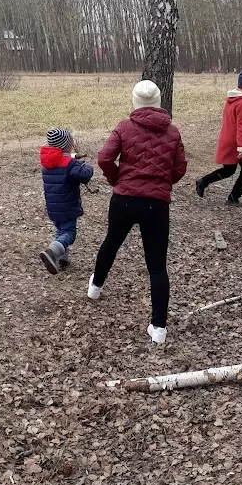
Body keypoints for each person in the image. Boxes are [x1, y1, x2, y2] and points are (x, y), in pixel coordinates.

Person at [88, 80, 187, 345]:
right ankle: (159, 329)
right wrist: (162, 184)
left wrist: (117, 179)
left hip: (124, 199)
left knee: (112, 242)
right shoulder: (173, 132)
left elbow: (104, 158)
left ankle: (95, 288)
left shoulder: (124, 127)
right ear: (158, 102)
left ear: (135, 101)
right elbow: (179, 169)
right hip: (156, 204)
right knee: (157, 265)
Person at [196, 70, 242, 207]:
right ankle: (233, 198)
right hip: (238, 140)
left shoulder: (232, 99)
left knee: (228, 170)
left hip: (228, 139)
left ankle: (203, 182)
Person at [39, 128, 93, 274]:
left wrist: (72, 158)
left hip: (53, 207)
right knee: (69, 232)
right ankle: (52, 252)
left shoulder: (47, 163)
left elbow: (62, 163)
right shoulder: (70, 164)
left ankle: (62, 258)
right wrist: (86, 166)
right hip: (68, 206)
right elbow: (85, 174)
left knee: (60, 230)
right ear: (67, 145)